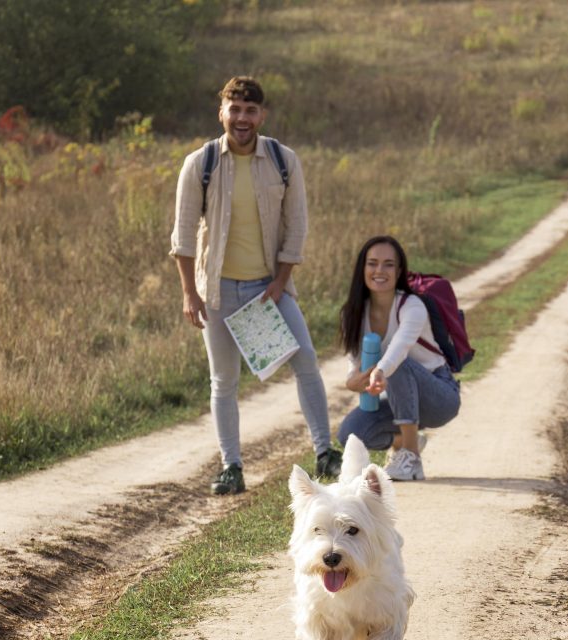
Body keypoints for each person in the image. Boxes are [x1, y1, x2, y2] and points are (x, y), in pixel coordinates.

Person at [169, 75, 341, 494]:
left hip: (270, 289)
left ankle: (325, 453)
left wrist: (281, 282)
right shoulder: (201, 163)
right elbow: (184, 234)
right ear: (222, 112)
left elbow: (296, 226)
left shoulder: (284, 160)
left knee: (306, 363)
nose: (242, 118)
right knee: (224, 381)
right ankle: (232, 467)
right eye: (235, 109)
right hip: (219, 293)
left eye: (250, 110)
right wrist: (190, 293)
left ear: (262, 115)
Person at [337, 235, 461, 481]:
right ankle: (407, 439)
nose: (379, 270)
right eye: (372, 263)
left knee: (398, 365)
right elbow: (354, 366)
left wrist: (380, 371)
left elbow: (399, 349)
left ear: (400, 270)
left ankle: (411, 458)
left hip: (439, 397)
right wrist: (352, 381)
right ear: (362, 268)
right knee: (350, 434)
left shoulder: (412, 305)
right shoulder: (353, 313)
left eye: (388, 264)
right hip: (398, 398)